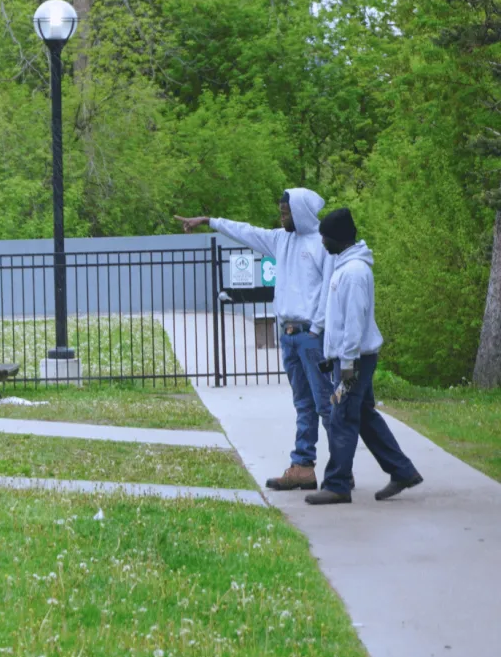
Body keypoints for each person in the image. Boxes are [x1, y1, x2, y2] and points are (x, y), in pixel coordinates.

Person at [176, 189, 335, 491]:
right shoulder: (280, 240)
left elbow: (329, 291)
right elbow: (246, 231)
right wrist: (209, 221)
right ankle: (303, 466)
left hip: (311, 337)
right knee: (303, 403)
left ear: (300, 213)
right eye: (281, 212)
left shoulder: (322, 245)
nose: (281, 217)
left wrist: (317, 330)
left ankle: (341, 469)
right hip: (289, 336)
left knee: (326, 405)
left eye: (286, 213)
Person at [305, 208, 424, 505]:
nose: (322, 242)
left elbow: (354, 323)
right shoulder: (345, 267)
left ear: (339, 238)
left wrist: (346, 364)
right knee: (364, 416)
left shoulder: (355, 273)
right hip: (352, 359)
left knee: (341, 416)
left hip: (354, 361)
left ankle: (337, 485)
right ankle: (403, 471)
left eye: (325, 237)